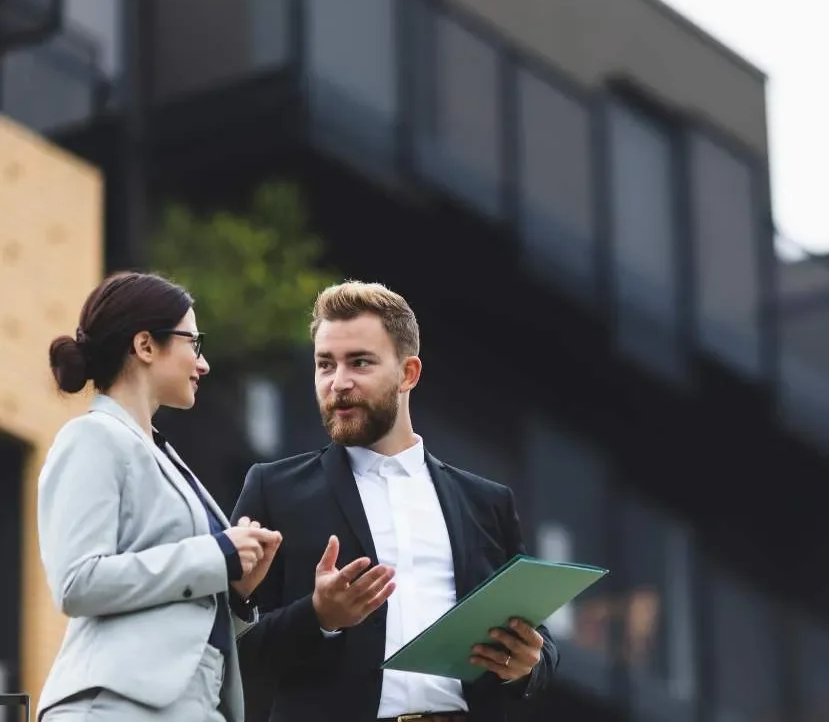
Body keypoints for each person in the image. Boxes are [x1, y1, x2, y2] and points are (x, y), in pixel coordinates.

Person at [232, 281, 558, 722]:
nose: (338, 382)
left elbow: (537, 640)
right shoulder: (275, 489)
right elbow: (230, 645)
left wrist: (528, 664)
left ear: (408, 374)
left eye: (360, 363)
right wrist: (318, 616)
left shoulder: (486, 503)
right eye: (325, 365)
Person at [36, 272, 284, 722]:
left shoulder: (163, 456)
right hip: (114, 709)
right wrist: (216, 554)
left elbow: (181, 614)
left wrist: (237, 589)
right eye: (195, 342)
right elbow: (76, 582)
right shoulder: (92, 437)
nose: (203, 364)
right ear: (146, 345)